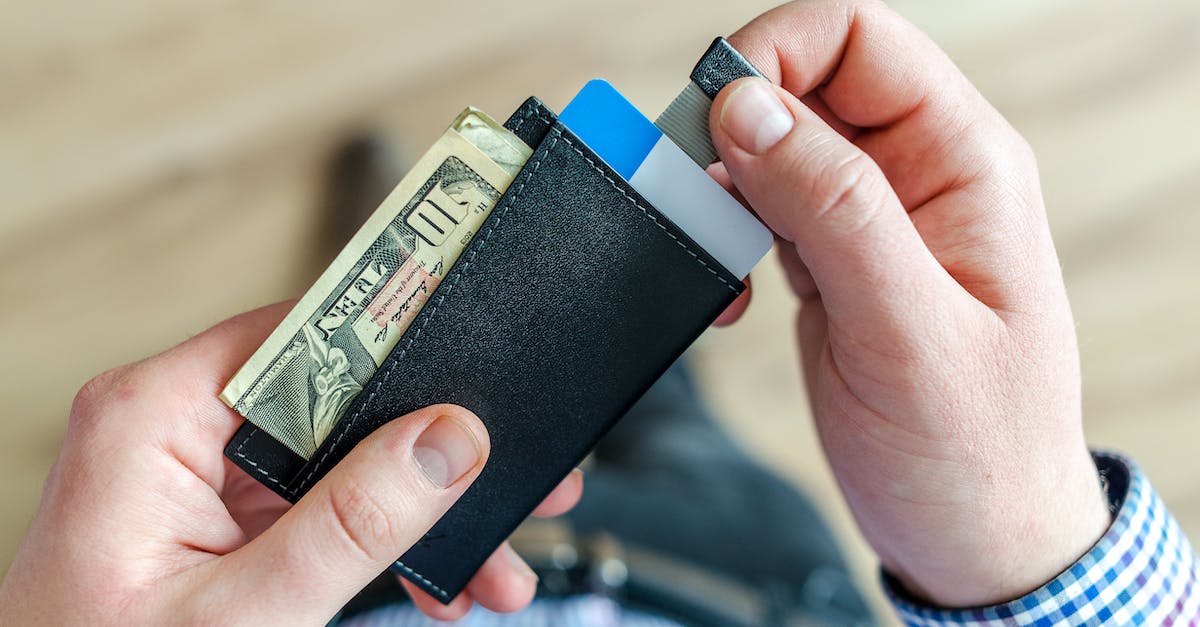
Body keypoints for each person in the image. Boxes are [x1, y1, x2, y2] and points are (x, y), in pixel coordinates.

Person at [1, 0, 1196, 624]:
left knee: (583, 332)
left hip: (349, 590)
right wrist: (1023, 553)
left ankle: (563, 287)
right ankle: (625, 311)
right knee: (651, 379)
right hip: (749, 582)